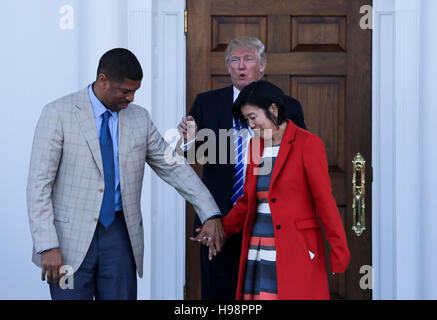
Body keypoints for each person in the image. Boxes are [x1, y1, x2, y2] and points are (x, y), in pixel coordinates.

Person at [26, 48, 225, 300]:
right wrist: (47, 245)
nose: (130, 98)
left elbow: (173, 166)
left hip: (120, 236)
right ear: (103, 81)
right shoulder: (58, 113)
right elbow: (38, 185)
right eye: (125, 91)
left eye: (134, 92)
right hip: (67, 241)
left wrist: (210, 211)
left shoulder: (139, 118)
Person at [195, 80, 351, 300]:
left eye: (252, 117)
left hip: (295, 248)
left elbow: (324, 202)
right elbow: (248, 202)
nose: (251, 125)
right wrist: (220, 229)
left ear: (273, 109)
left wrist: (339, 251)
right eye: (246, 120)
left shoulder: (308, 144)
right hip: (259, 247)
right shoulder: (255, 146)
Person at [178, 37, 306, 300]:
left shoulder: (288, 107)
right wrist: (189, 139)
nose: (241, 66)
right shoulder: (206, 103)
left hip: (269, 221)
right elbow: (192, 157)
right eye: (235, 61)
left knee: (266, 293)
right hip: (217, 221)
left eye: (248, 59)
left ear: (263, 65)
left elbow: (297, 166)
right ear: (228, 68)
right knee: (219, 294)